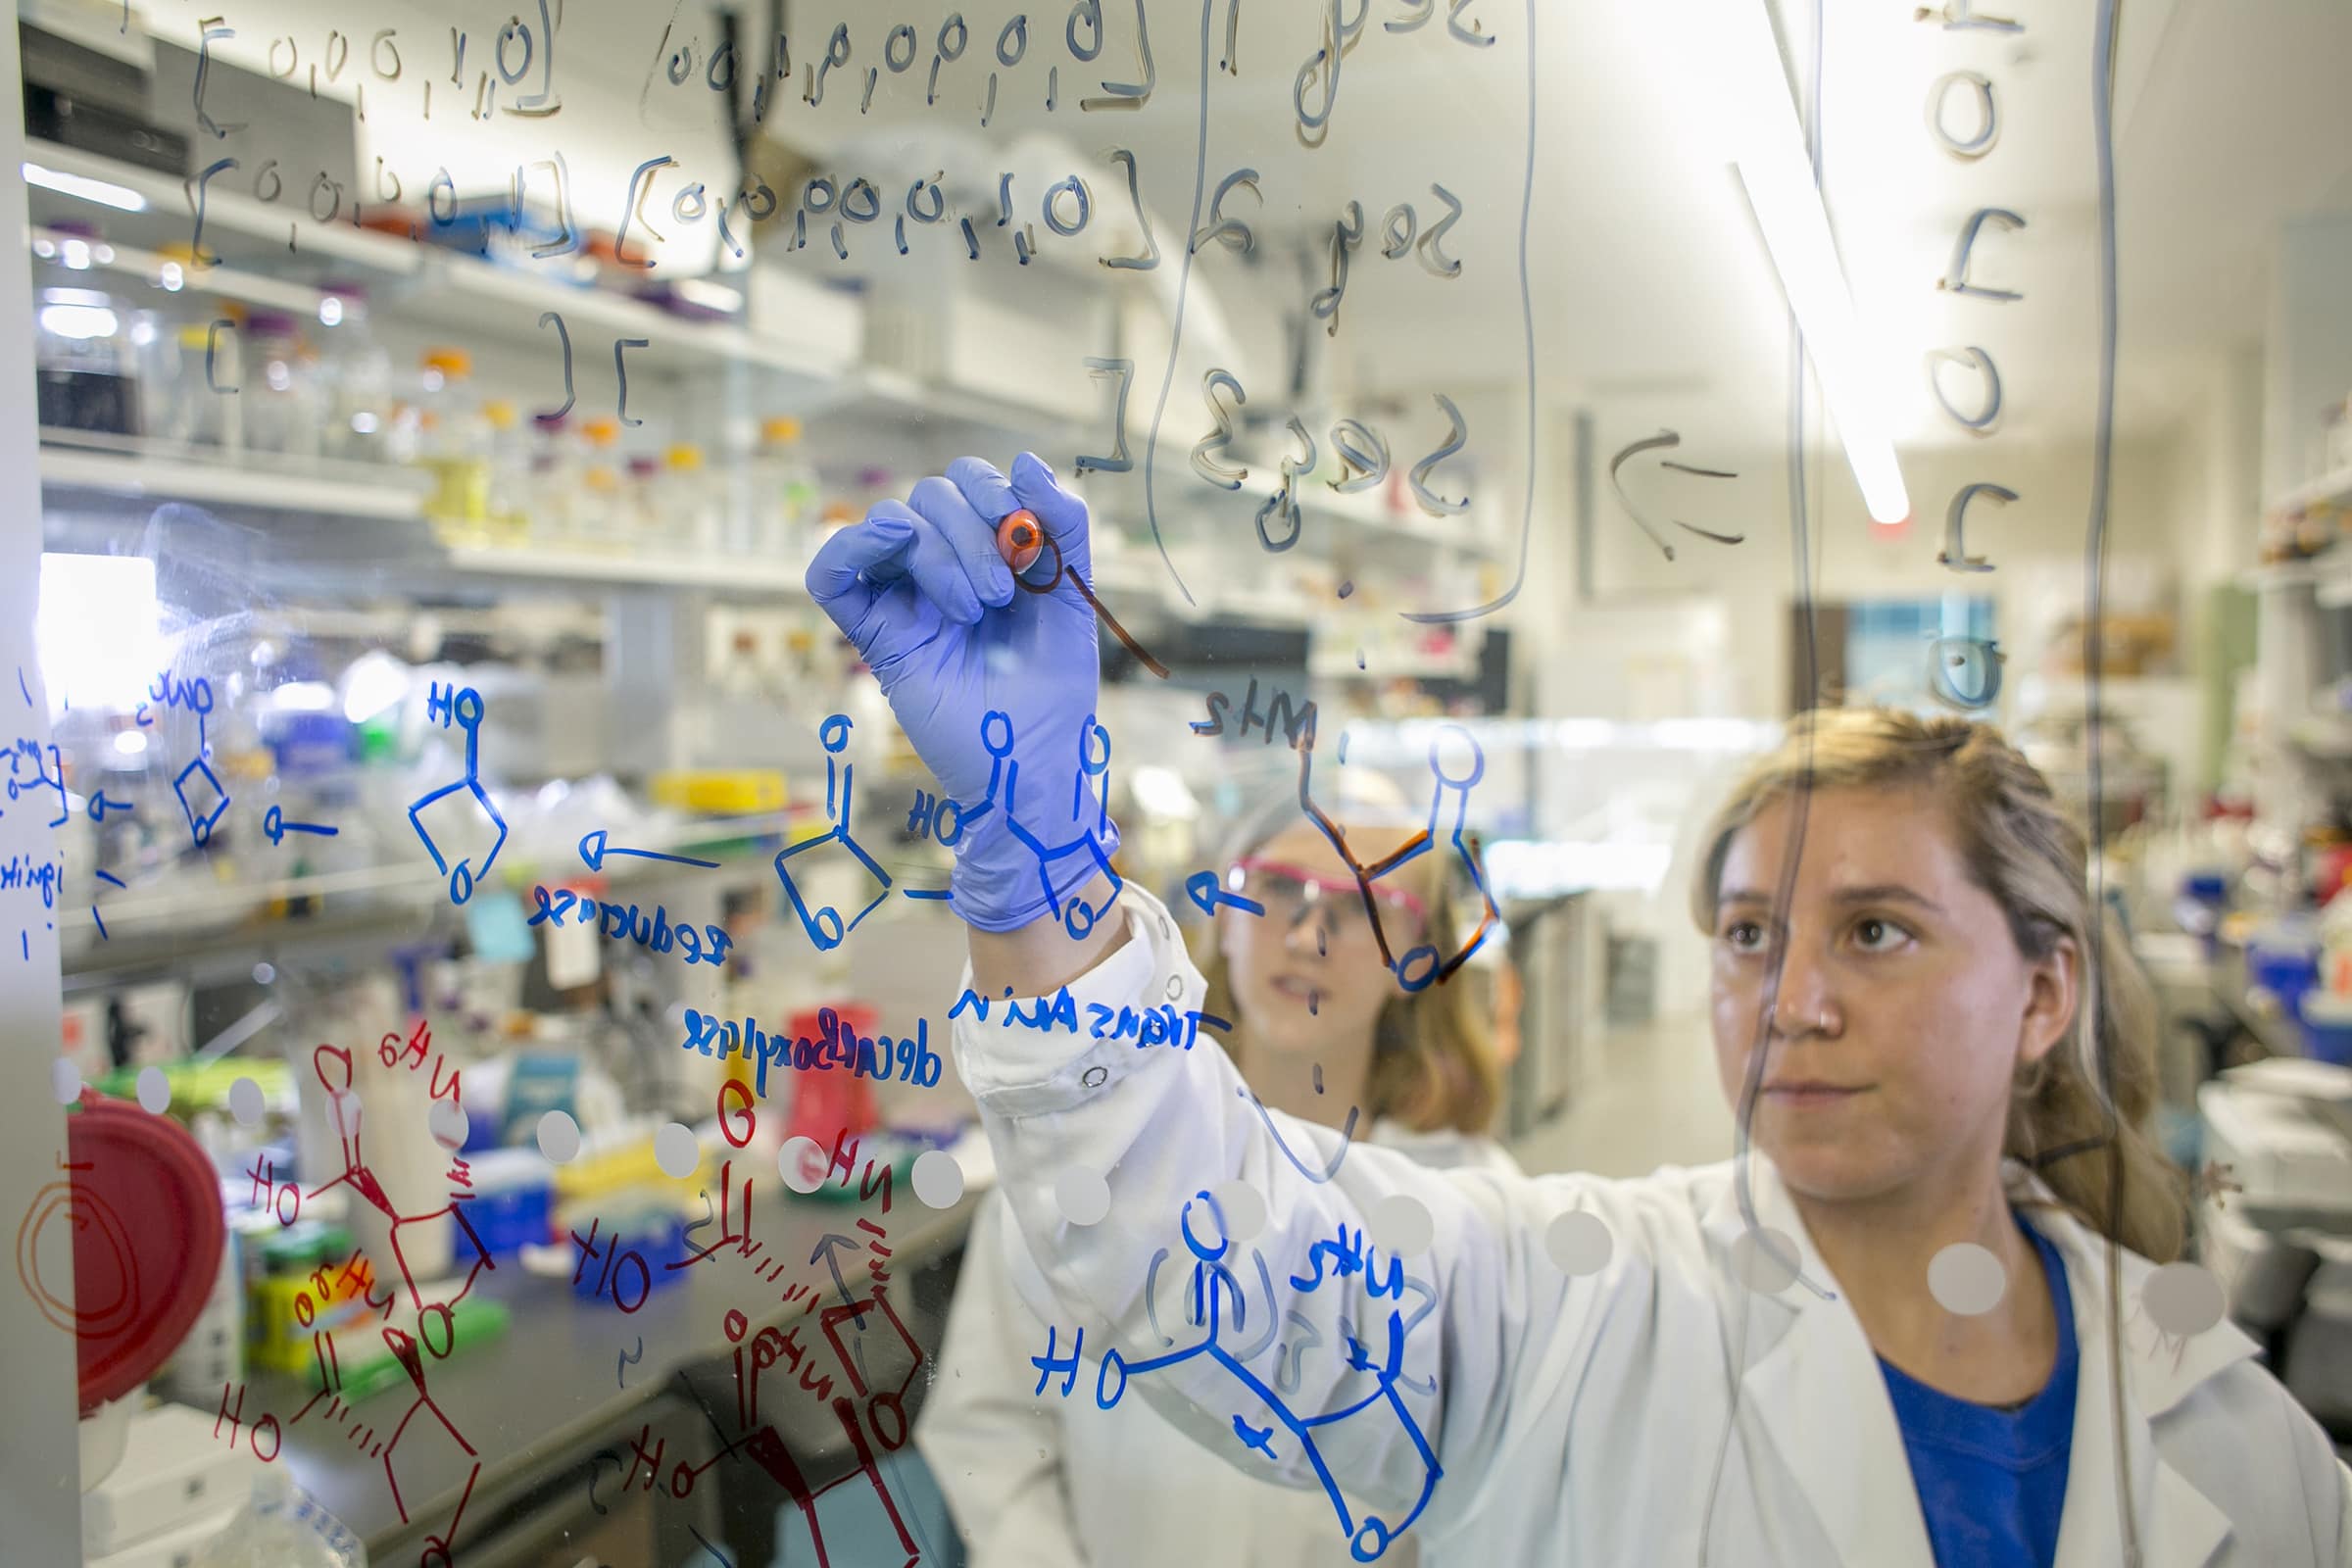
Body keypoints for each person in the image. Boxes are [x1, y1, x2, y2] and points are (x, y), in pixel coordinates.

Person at [810, 455, 2352, 1566]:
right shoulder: (1584, 1298)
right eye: (1748, 933)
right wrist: (1038, 864)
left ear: (2044, 993)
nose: (1790, 1001)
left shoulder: (2244, 1448)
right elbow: (1219, 1262)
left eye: (1875, 931)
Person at [917, 792, 1517, 1567]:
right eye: (1275, 890)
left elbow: (1487, 1489)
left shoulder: (1467, 1208)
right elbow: (989, 1426)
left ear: (1417, 955)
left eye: (1361, 902)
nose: (1307, 935)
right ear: (1224, 916)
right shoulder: (1086, 1156)